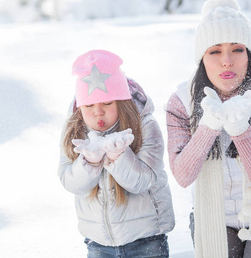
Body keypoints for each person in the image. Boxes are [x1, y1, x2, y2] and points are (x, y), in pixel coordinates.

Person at [166, 0, 251, 258]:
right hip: (213, 217)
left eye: (237, 49)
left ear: (249, 54)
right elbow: (183, 176)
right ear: (202, 58)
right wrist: (209, 124)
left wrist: (240, 128)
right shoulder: (181, 103)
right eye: (215, 51)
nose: (226, 61)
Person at [59, 49, 175, 258]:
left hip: (146, 241)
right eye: (89, 105)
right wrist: (89, 163)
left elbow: (142, 182)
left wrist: (118, 157)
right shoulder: (75, 132)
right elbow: (71, 182)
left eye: (107, 102)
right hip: (99, 244)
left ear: (122, 101)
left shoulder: (145, 126)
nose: (98, 112)